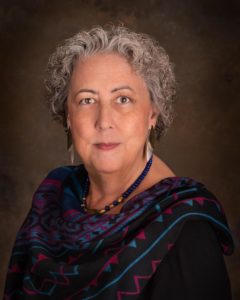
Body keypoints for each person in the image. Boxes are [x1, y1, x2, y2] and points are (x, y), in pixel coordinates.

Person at [4, 25, 234, 300]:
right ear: (67, 115)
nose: (104, 121)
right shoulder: (53, 198)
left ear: (152, 113)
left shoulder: (185, 234)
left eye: (123, 99)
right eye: (87, 100)